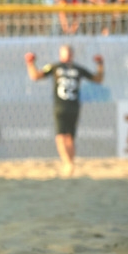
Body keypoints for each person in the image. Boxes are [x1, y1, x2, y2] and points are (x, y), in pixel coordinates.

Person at [25, 45, 104, 177]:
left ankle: (68, 164)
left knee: (62, 137)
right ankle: (70, 165)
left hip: (62, 107)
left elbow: (35, 76)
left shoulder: (55, 67)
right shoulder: (77, 69)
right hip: (73, 107)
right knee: (69, 138)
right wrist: (100, 64)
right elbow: (98, 79)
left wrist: (30, 63)